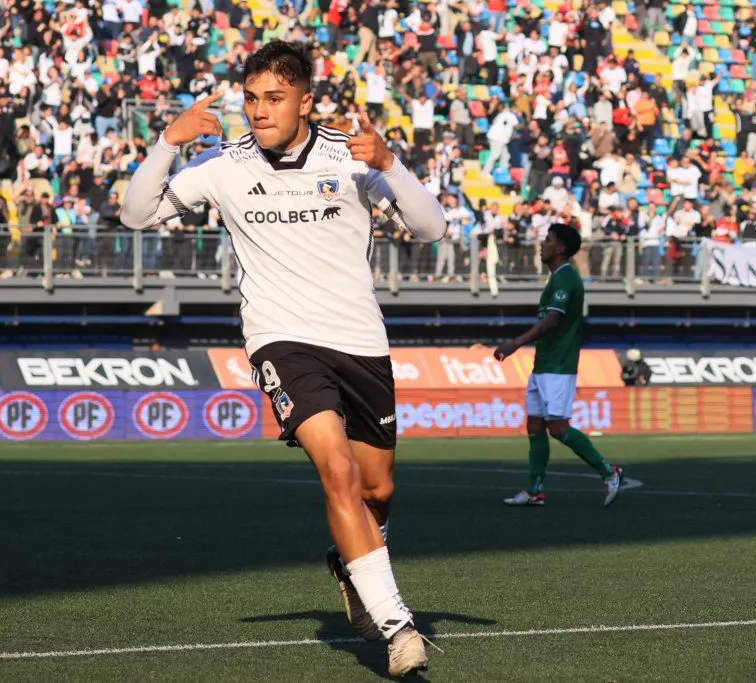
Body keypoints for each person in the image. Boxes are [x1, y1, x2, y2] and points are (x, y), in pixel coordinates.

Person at [120, 40, 446, 677]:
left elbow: (431, 228)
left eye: (273, 98)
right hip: (281, 339)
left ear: (305, 101)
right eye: (250, 99)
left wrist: (392, 164)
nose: (259, 111)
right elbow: (136, 215)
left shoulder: (350, 155)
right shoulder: (223, 164)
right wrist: (167, 142)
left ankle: (350, 564)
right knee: (339, 475)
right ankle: (398, 626)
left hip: (360, 341)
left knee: (378, 488)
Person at [493, 224, 624, 508]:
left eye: (548, 239)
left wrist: (515, 343)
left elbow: (552, 321)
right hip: (544, 364)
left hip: (559, 366)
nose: (542, 243)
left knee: (559, 428)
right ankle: (534, 490)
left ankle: (609, 472)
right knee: (535, 425)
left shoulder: (566, 279)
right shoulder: (556, 279)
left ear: (561, 247)